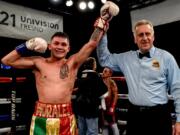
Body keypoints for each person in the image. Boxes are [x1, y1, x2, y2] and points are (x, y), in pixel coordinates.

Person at [96, 19, 180, 135]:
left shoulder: (166, 58)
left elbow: (178, 89)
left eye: (147, 34)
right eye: (140, 35)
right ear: (135, 39)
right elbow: (104, 59)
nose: (144, 38)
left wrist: (179, 120)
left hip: (159, 116)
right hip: (135, 116)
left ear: (153, 37)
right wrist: (103, 33)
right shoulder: (126, 58)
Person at [75, 57, 108, 135]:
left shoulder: (80, 76)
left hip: (80, 107)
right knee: (92, 131)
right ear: (94, 65)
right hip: (91, 108)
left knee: (81, 130)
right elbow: (104, 93)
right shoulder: (96, 76)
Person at [100, 67, 119, 135]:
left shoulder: (111, 82)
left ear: (110, 74)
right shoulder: (100, 81)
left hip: (109, 106)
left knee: (113, 124)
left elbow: (115, 95)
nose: (103, 73)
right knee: (104, 124)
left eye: (105, 71)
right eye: (103, 71)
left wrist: (112, 107)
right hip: (101, 107)